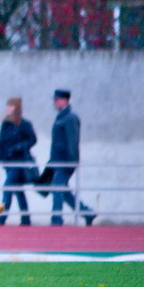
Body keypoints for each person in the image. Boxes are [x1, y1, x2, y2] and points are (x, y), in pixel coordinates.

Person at [43, 89, 95, 226]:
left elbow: (72, 141)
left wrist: (71, 162)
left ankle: (56, 219)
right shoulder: (62, 117)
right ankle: (87, 213)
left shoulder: (70, 118)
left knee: (57, 188)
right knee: (64, 191)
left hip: (65, 162)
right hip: (57, 161)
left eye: (57, 100)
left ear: (64, 100)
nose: (54, 102)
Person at [0, 97, 37, 226]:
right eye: (8, 106)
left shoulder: (24, 124)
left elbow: (33, 139)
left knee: (7, 188)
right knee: (18, 191)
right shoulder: (5, 125)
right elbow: (0, 143)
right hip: (8, 163)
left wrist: (20, 147)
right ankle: (26, 218)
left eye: (11, 106)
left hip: (19, 163)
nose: (8, 108)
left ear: (17, 108)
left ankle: (1, 219)